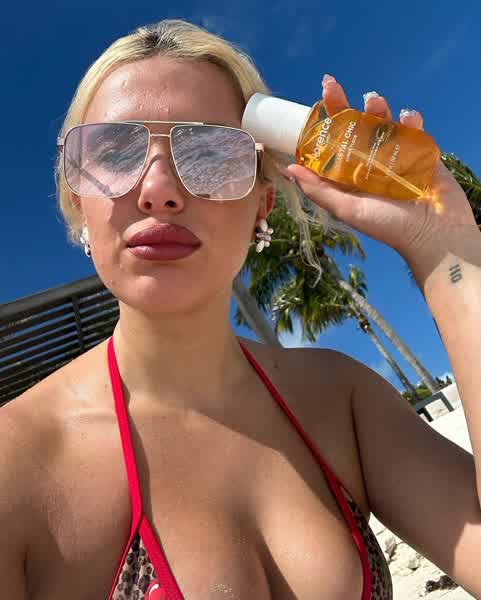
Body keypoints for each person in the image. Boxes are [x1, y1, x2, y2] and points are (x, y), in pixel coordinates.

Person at [1, 18, 481, 600]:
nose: (159, 189)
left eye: (207, 153)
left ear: (262, 204)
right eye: (114, 152)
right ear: (80, 200)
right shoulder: (15, 464)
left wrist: (444, 249)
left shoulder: (342, 401)